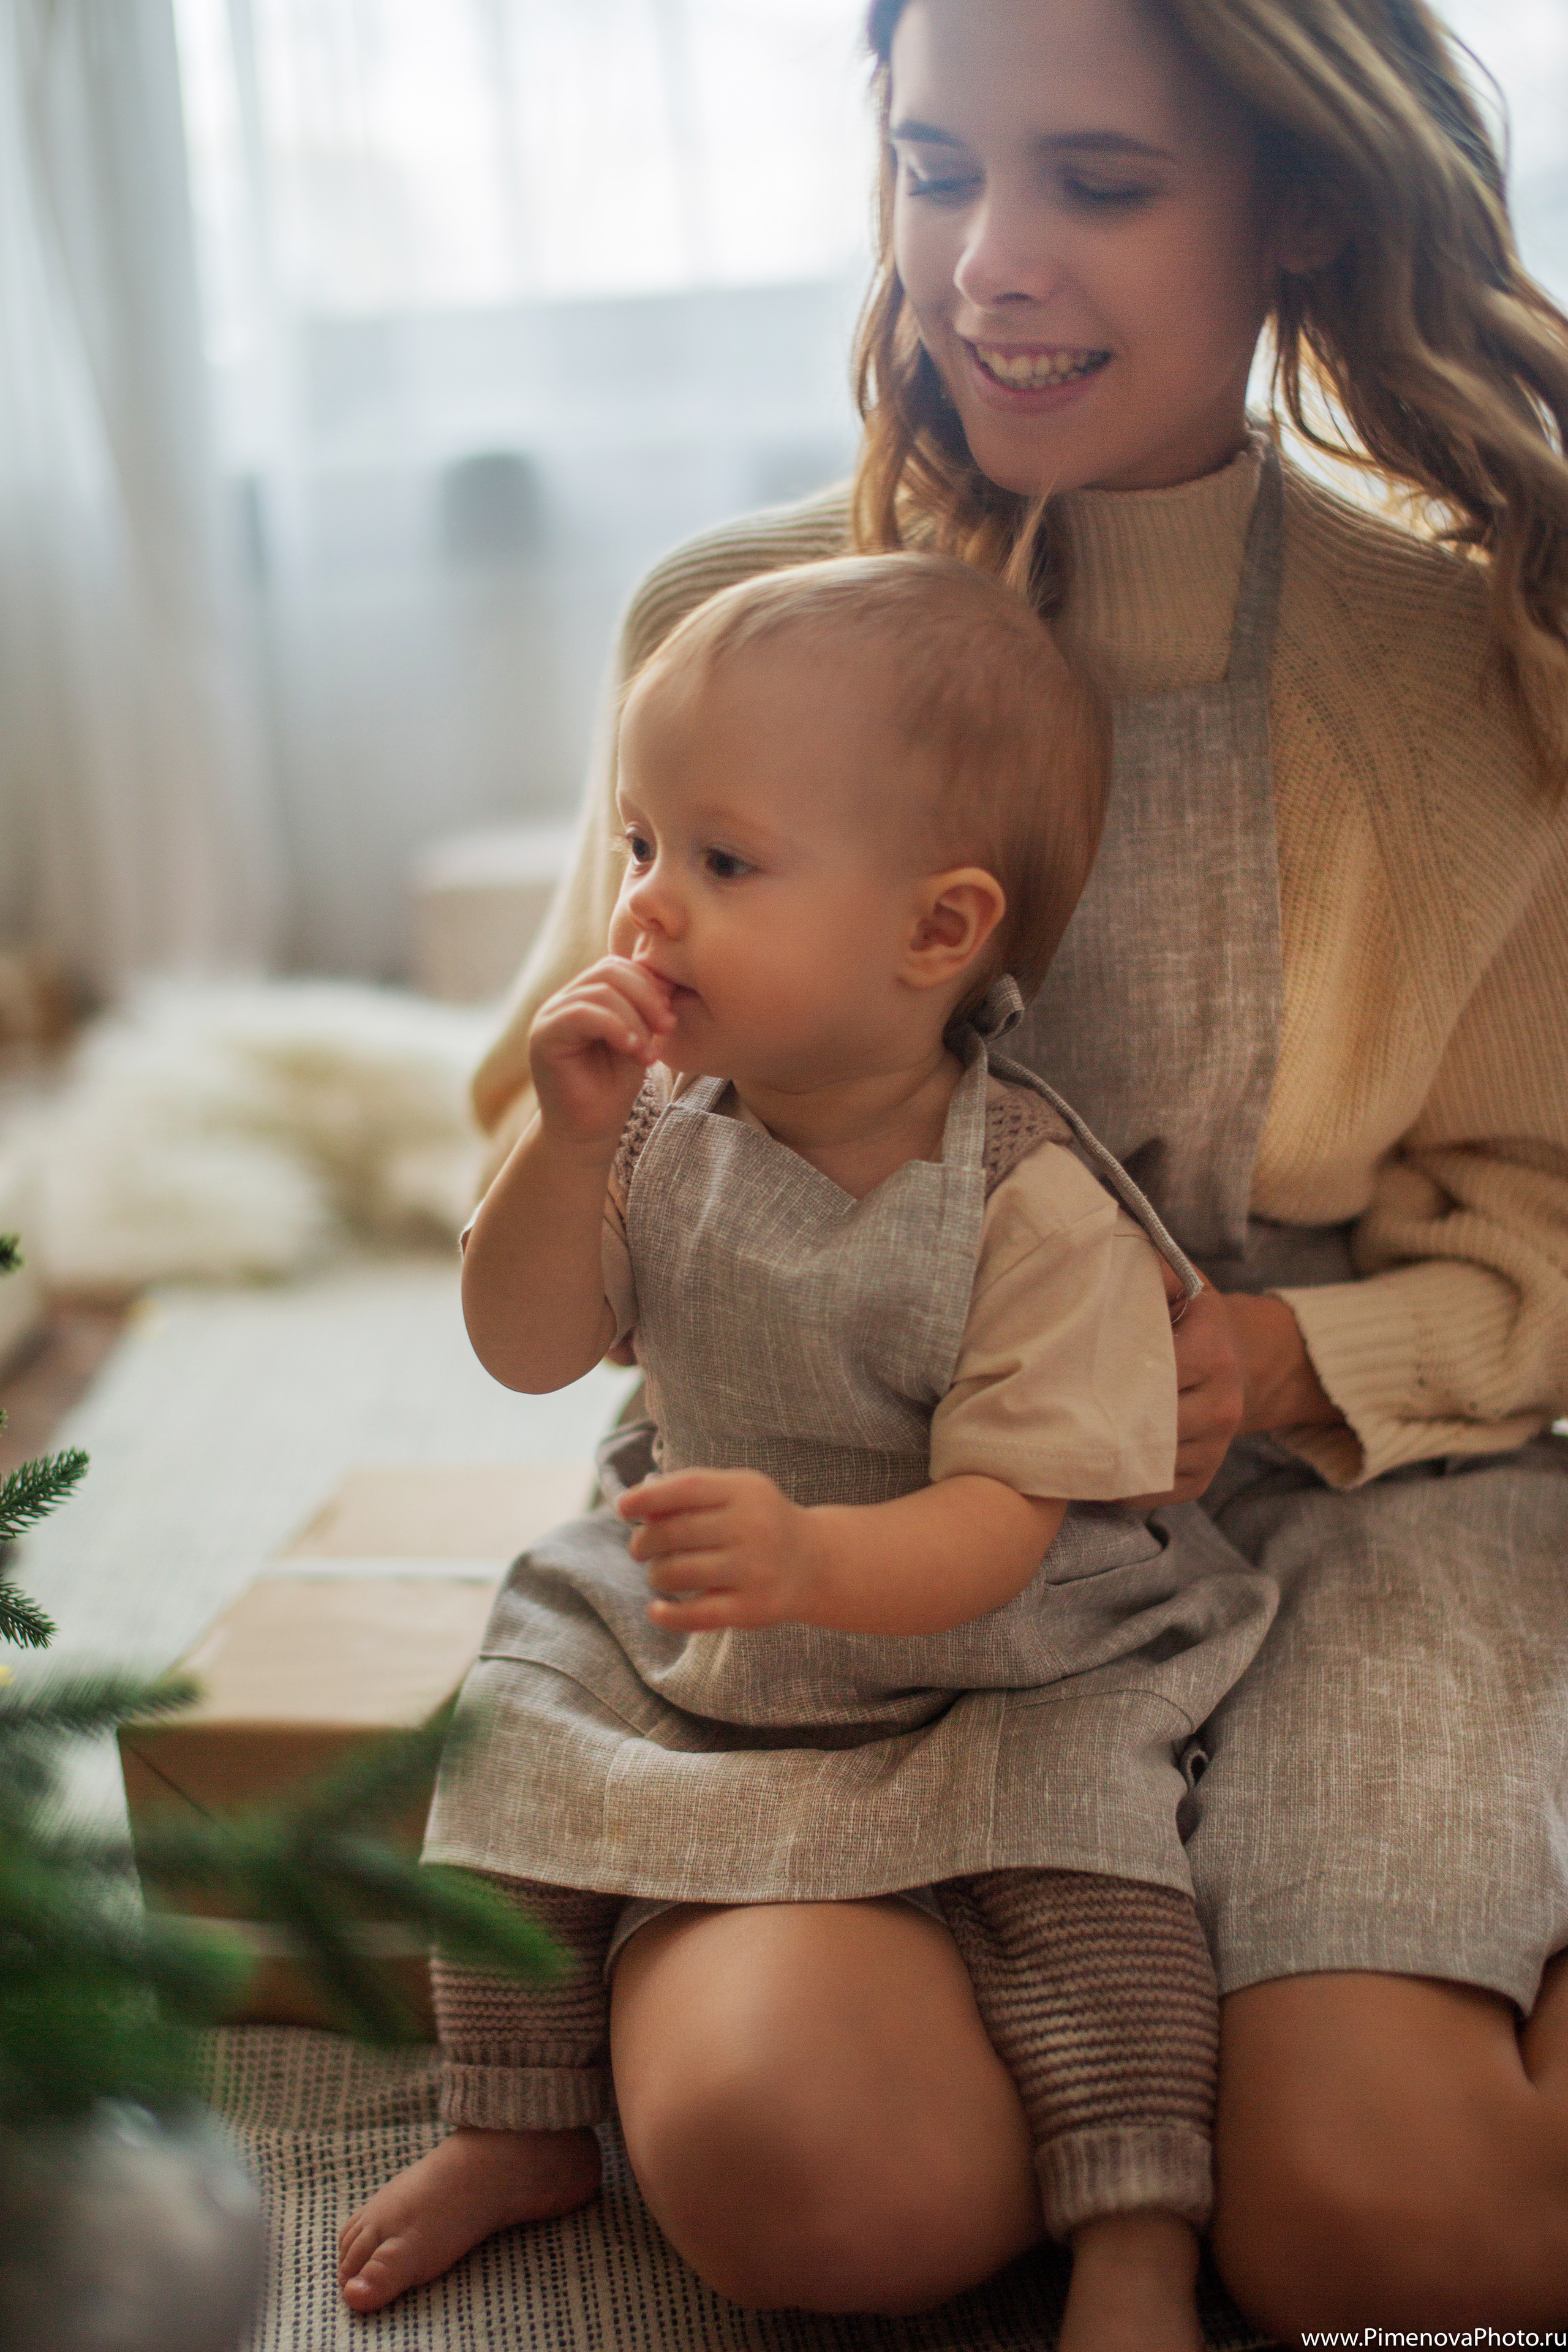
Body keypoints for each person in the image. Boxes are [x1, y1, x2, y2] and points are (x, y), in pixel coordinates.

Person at [418, 0, 1568, 2331]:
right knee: (821, 2189)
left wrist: (1291, 1347)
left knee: (1387, 2230)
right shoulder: (735, 626)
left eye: (1101, 187)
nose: (986, 266)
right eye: (938, 171)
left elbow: (1543, 1208)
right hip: (847, 1524)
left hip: (1347, 1505)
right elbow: (563, 1171)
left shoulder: (1471, 655)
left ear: (1306, 206)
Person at [338, 550, 1276, 2348]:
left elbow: (1015, 1513)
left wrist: (818, 1565)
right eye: (638, 849)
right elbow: (523, 1347)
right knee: (516, 1741)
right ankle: (516, 2119)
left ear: (936, 933)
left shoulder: (1033, 1203)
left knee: (1101, 1873)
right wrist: (557, 1148)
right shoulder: (657, 1125)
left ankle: (1139, 2218)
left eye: (723, 863)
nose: (645, 915)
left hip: (996, 1646)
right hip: (712, 1607)